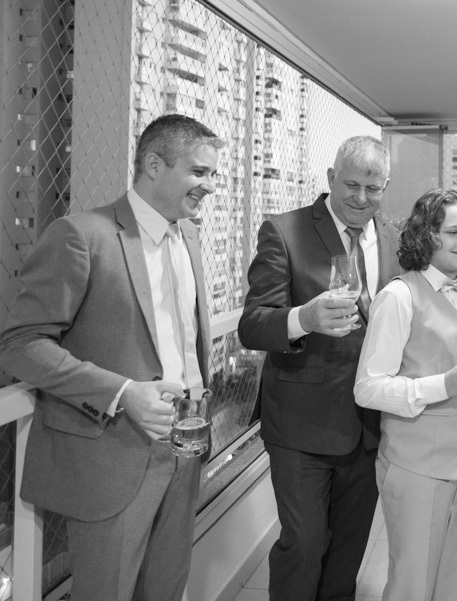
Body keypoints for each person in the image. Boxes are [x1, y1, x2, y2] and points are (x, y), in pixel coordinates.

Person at [0, 114, 223, 600]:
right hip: (112, 457)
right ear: (154, 165)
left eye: (213, 174)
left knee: (165, 589)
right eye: (198, 172)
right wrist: (122, 393)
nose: (210, 186)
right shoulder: (80, 235)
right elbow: (20, 344)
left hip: (185, 448)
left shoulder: (189, 236)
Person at [238, 136, 403, 601]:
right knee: (305, 545)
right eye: (351, 185)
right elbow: (252, 325)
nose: (361, 198)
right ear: (331, 178)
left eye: (373, 189)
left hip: (370, 424)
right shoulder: (284, 231)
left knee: (348, 549)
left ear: (385, 187)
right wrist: (303, 319)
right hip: (300, 422)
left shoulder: (394, 238)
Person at [355, 189, 457, 601]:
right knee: (412, 586)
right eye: (453, 232)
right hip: (416, 467)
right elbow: (367, 387)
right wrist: (443, 385)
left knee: (451, 584)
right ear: (427, 236)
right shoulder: (398, 297)